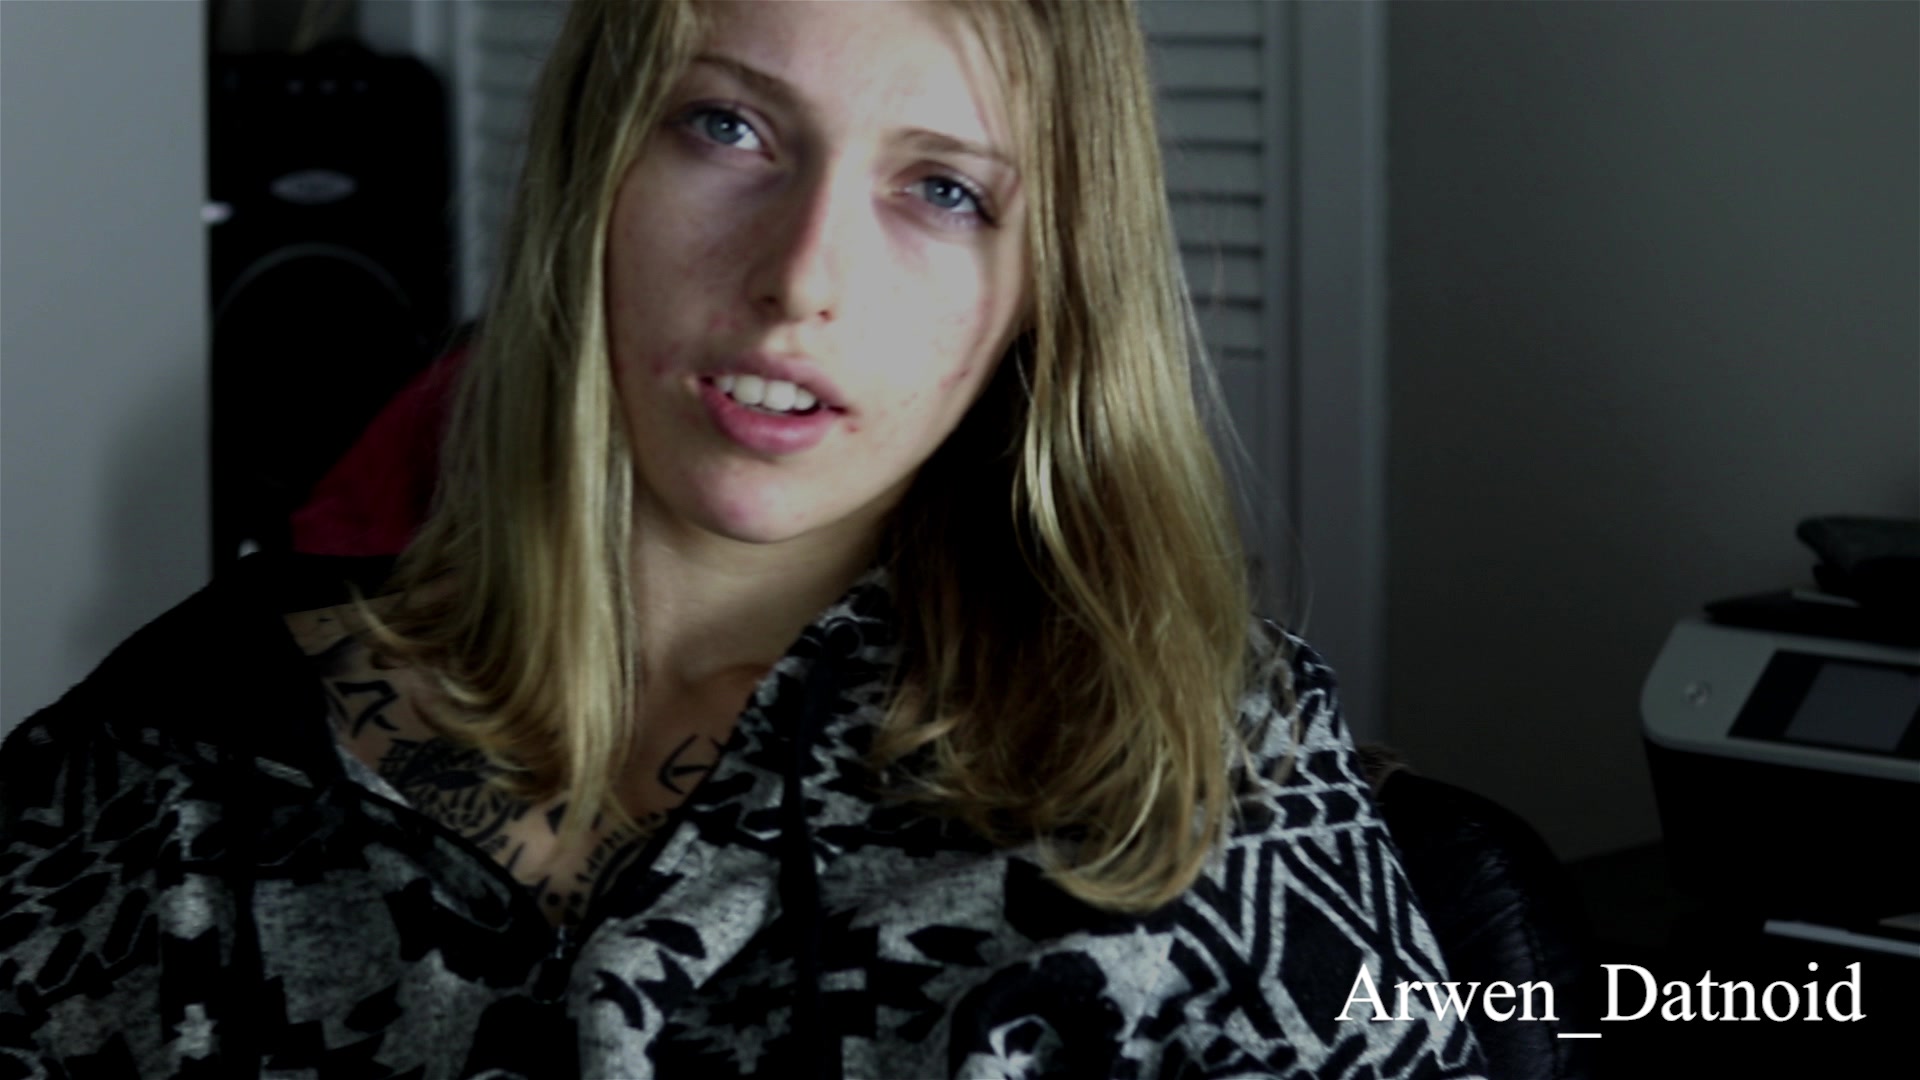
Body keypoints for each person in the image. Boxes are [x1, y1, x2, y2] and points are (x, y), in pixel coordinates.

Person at [0, 1, 1489, 1076]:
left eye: (944, 190)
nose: (800, 279)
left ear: (1046, 288)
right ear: (593, 169)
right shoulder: (176, 753)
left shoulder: (1195, 772)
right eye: (727, 127)